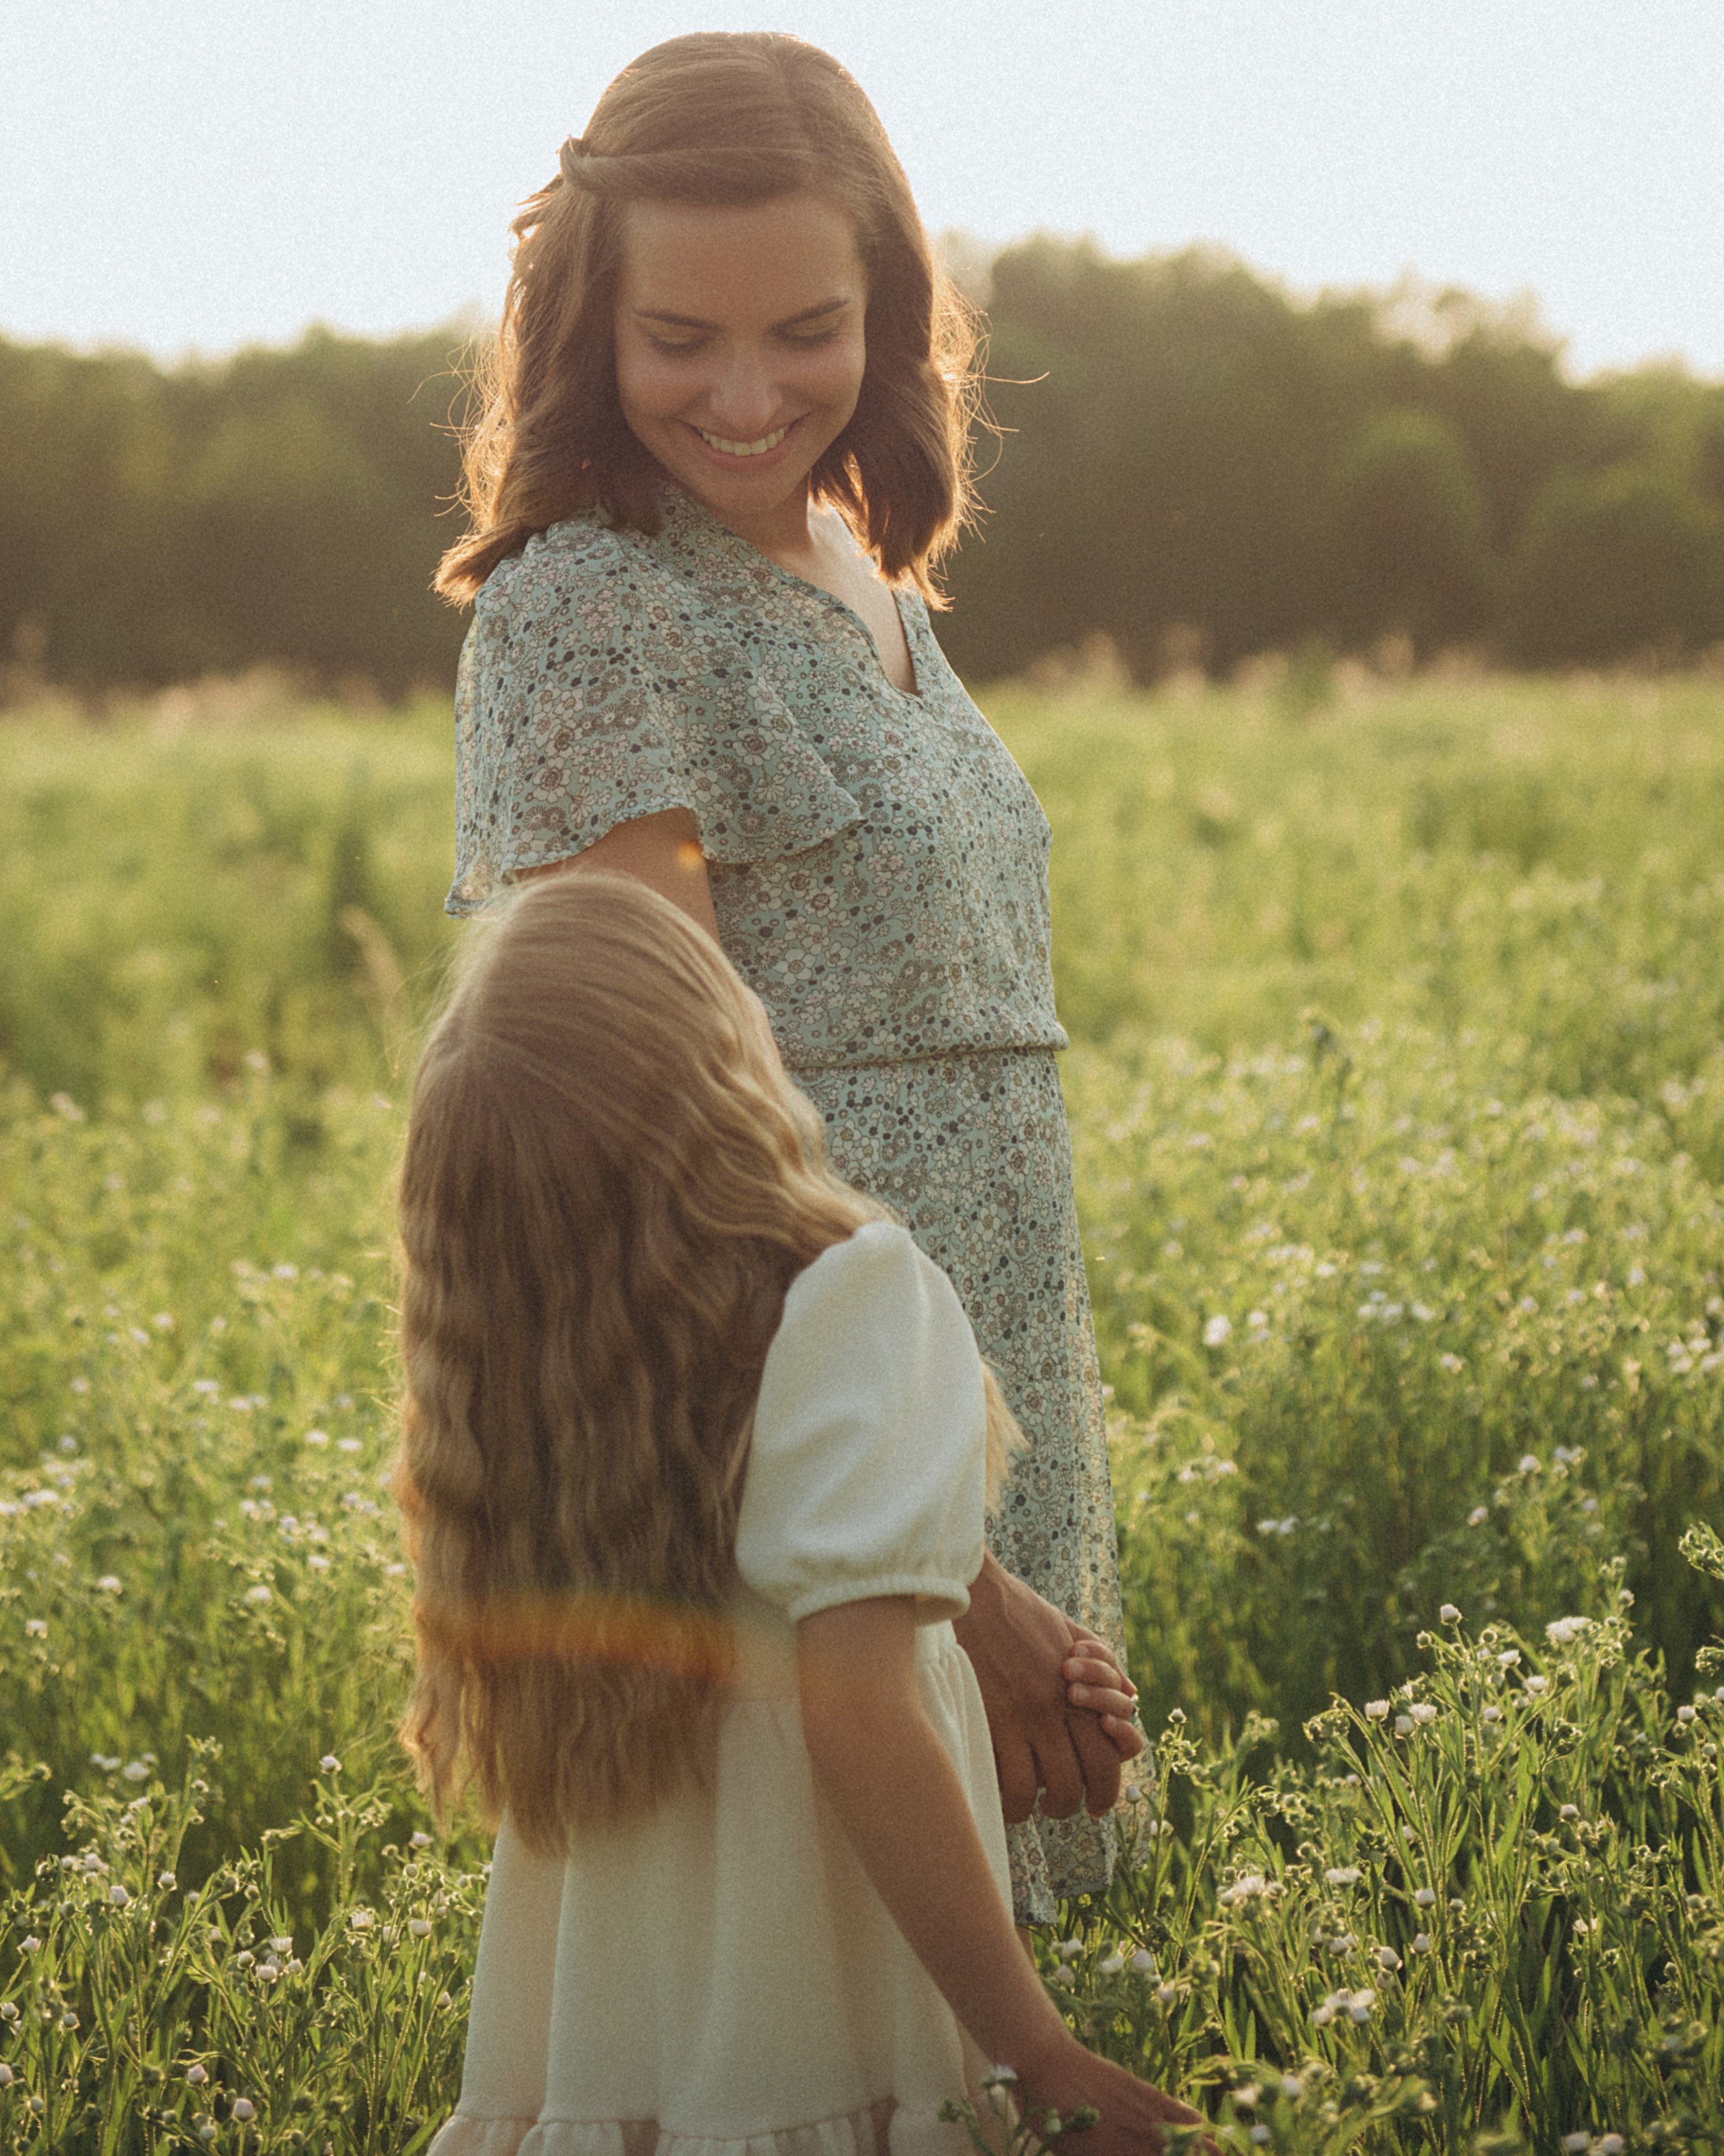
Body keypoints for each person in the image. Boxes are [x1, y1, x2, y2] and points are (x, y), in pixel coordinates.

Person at [438, 29, 1139, 1921]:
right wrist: (949, 1577)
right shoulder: (595, 604)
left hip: (983, 1367)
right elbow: (671, 1140)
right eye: (682, 339)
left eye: (806, 331)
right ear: (592, 323)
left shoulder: (866, 567)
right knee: (834, 2014)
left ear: (889, 310)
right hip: (797, 1413)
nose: (748, 396)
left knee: (1012, 2015)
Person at [396, 873, 1204, 2155]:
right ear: (719, 1065)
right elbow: (853, 1711)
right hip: (825, 2023)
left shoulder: (539, 1385)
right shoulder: (854, 1296)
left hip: (619, 2054)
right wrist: (1037, 2051)